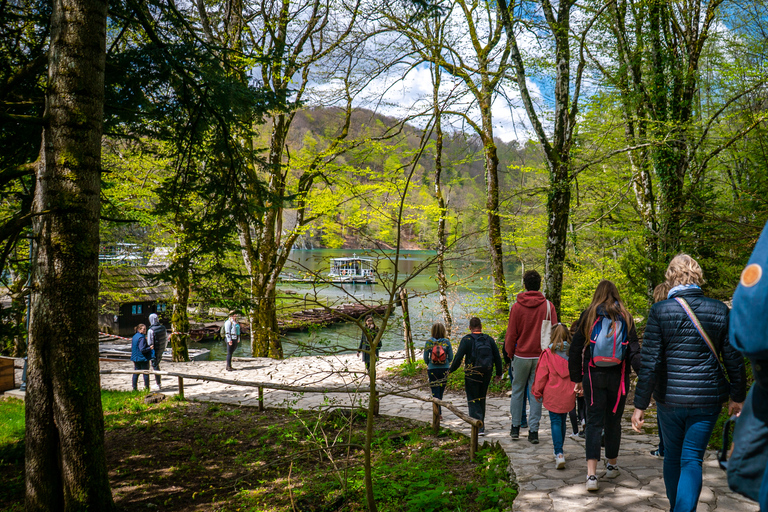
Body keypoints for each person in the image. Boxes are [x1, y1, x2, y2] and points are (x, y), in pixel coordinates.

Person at [632, 254, 746, 511]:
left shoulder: (659, 311)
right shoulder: (719, 310)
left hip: (670, 399)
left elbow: (649, 363)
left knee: (672, 458)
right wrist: (737, 397)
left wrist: (640, 405)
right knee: (692, 459)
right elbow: (734, 359)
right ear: (698, 276)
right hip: (707, 400)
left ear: (671, 277)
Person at [569, 280, 641, 492]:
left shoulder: (589, 314)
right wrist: (645, 375)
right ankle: (611, 465)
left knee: (593, 422)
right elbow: (634, 351)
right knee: (613, 422)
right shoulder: (625, 316)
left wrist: (577, 379)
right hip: (618, 378)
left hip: (592, 375)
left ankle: (591, 475)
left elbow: (575, 350)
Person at [505, 269, 558, 443]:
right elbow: (556, 333)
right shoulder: (548, 306)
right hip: (542, 356)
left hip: (521, 356)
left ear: (525, 285)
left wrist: (509, 353)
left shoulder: (517, 307)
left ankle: (515, 428)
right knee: (536, 393)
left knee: (517, 390)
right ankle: (533, 432)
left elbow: (511, 334)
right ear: (539, 284)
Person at [532, 323, 577, 470]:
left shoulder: (547, 354)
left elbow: (541, 376)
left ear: (552, 336)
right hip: (568, 392)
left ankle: (559, 453)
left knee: (555, 421)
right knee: (562, 421)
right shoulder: (573, 353)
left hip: (553, 393)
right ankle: (560, 450)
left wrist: (537, 391)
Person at [449, 317, 503, 436]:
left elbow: (458, 358)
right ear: (481, 326)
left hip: (472, 373)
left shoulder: (466, 340)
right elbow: (497, 357)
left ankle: (478, 427)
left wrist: (450, 371)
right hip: (486, 373)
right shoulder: (489, 339)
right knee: (481, 397)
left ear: (470, 327)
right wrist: (499, 373)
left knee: (473, 399)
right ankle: (481, 424)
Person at [649, 282, 670, 459]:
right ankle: (666, 447)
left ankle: (663, 447)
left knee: (662, 411)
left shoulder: (657, 312)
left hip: (662, 373)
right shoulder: (677, 311)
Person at [423, 322, 454, 417]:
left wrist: (430, 363)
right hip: (444, 369)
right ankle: (438, 412)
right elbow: (451, 356)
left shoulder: (429, 342)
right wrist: (446, 362)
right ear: (443, 331)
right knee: (440, 391)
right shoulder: (446, 342)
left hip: (432, 369)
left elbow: (425, 357)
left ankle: (437, 413)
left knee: (434, 391)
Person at [147, 313, 167, 388]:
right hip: (161, 349)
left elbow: (149, 342)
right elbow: (165, 339)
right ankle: (158, 382)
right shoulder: (163, 328)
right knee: (157, 364)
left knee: (155, 365)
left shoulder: (151, 330)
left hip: (154, 350)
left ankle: (158, 383)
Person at [130, 324, 150, 391]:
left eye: (145, 329)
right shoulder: (142, 338)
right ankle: (147, 388)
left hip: (135, 357)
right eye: (143, 329)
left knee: (136, 372)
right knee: (146, 373)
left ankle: (134, 387)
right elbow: (142, 349)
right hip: (142, 358)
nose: (145, 330)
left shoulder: (134, 336)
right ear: (139, 329)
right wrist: (150, 348)